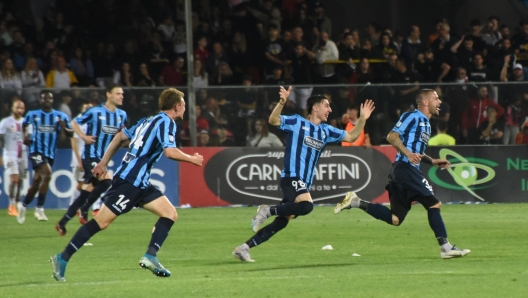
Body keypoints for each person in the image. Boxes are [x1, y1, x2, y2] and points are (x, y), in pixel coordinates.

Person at [50, 88, 204, 281]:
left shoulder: (147, 121)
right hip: (129, 182)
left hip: (141, 183)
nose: (185, 108)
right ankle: (62, 258)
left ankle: (150, 256)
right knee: (101, 222)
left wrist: (104, 162)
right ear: (177, 105)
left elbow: (120, 136)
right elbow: (170, 152)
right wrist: (192, 159)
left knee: (170, 213)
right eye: (183, 104)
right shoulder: (166, 122)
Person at [232, 86, 375, 262]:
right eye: (326, 105)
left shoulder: (326, 131)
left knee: (283, 220)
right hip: (291, 177)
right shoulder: (297, 122)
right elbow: (274, 120)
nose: (330, 109)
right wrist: (282, 102)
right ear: (315, 107)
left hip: (303, 182)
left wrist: (362, 119)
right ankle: (267, 210)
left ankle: (244, 248)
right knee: (307, 206)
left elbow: (352, 137)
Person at [334, 89, 470, 259]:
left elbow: (416, 152)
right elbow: (392, 136)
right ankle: (446, 248)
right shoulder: (411, 116)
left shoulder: (427, 123)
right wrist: (407, 154)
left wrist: (432, 161)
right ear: (425, 102)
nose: (439, 101)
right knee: (434, 204)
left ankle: (356, 202)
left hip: (405, 171)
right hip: (405, 169)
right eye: (436, 98)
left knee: (395, 218)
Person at [55, 84, 128, 236]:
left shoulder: (122, 115)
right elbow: (74, 123)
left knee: (85, 193)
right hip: (90, 156)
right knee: (107, 181)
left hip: (103, 159)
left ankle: (62, 223)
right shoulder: (95, 111)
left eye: (122, 94)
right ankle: (84, 208)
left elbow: (121, 136)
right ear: (108, 94)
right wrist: (83, 137)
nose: (121, 96)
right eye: (118, 93)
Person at [18, 90, 73, 224]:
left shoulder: (60, 116)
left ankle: (23, 206)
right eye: (45, 99)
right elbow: (23, 125)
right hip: (36, 151)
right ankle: (39, 209)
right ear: (41, 100)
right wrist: (24, 137)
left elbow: (71, 134)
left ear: (52, 101)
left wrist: (65, 128)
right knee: (47, 174)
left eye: (50, 99)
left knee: (36, 183)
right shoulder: (33, 115)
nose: (47, 101)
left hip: (50, 153)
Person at [0, 99, 27, 216]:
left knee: (19, 180)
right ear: (12, 108)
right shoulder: (5, 122)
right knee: (14, 179)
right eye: (17, 108)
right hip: (9, 154)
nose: (20, 110)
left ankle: (17, 201)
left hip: (23, 154)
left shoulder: (26, 122)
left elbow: (29, 139)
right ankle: (11, 205)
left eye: (22, 108)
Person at [69, 101, 92, 207]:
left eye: (90, 108)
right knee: (81, 184)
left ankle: (89, 206)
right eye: (86, 107)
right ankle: (74, 203)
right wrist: (79, 160)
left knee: (91, 182)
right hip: (79, 158)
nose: (88, 109)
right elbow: (74, 142)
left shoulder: (93, 121)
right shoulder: (78, 122)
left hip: (90, 157)